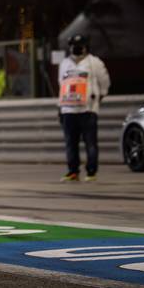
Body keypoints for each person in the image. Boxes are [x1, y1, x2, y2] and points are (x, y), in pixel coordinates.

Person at [58, 34, 110, 182]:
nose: (77, 48)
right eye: (74, 45)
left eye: (80, 45)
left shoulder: (94, 63)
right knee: (70, 143)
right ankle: (73, 171)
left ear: (86, 46)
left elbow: (105, 81)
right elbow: (61, 85)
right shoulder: (65, 64)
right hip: (68, 110)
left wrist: (100, 96)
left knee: (90, 143)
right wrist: (60, 107)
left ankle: (91, 172)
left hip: (88, 110)